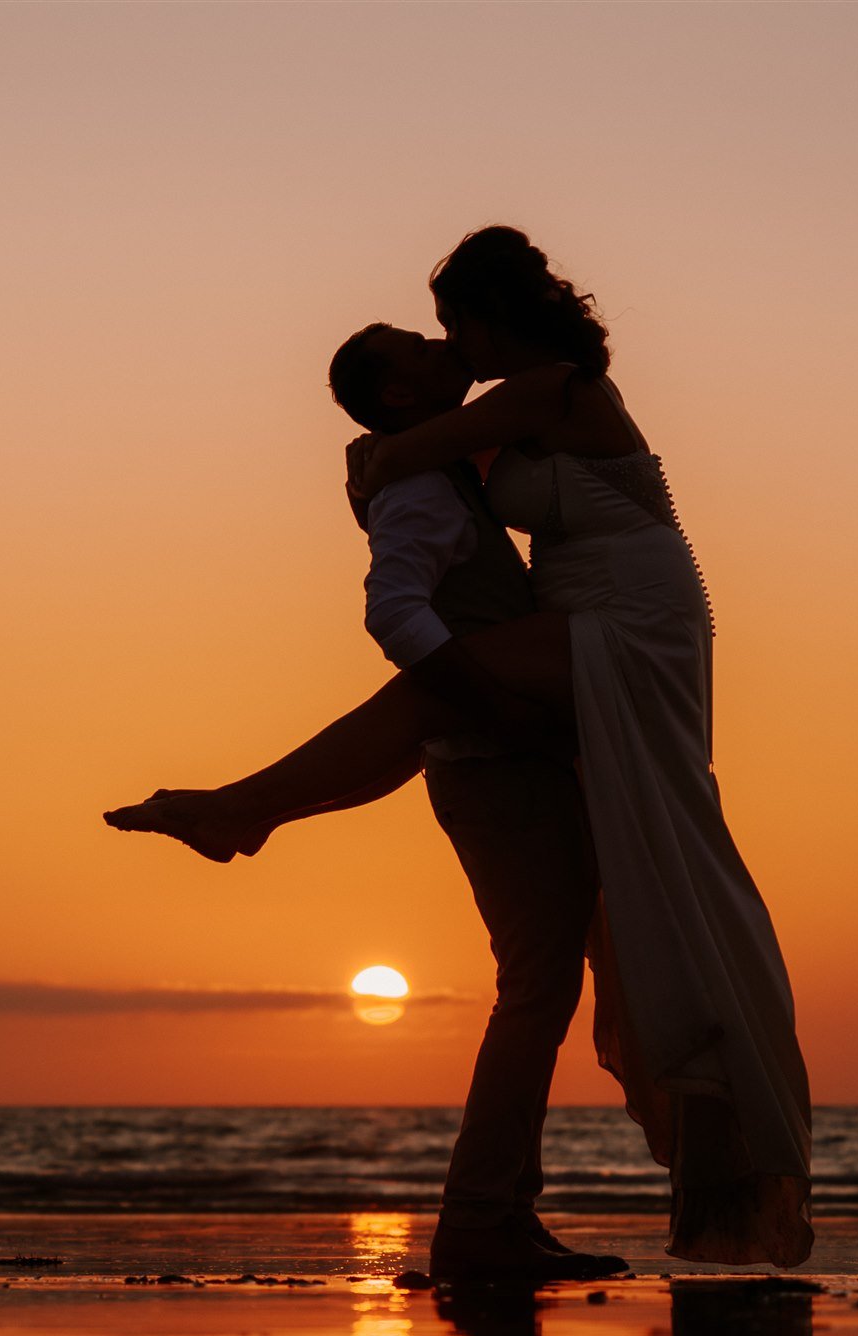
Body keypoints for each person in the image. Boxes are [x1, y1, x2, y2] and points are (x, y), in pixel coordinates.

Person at [107, 226, 813, 1269]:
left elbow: (393, 457)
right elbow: (402, 474)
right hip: (589, 609)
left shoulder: (550, 390)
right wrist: (376, 466)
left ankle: (245, 809)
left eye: (452, 324)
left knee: (437, 699)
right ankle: (245, 811)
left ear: (495, 318)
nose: (448, 343)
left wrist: (370, 463)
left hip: (631, 610)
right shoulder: (497, 419)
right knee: (447, 711)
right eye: (431, 334)